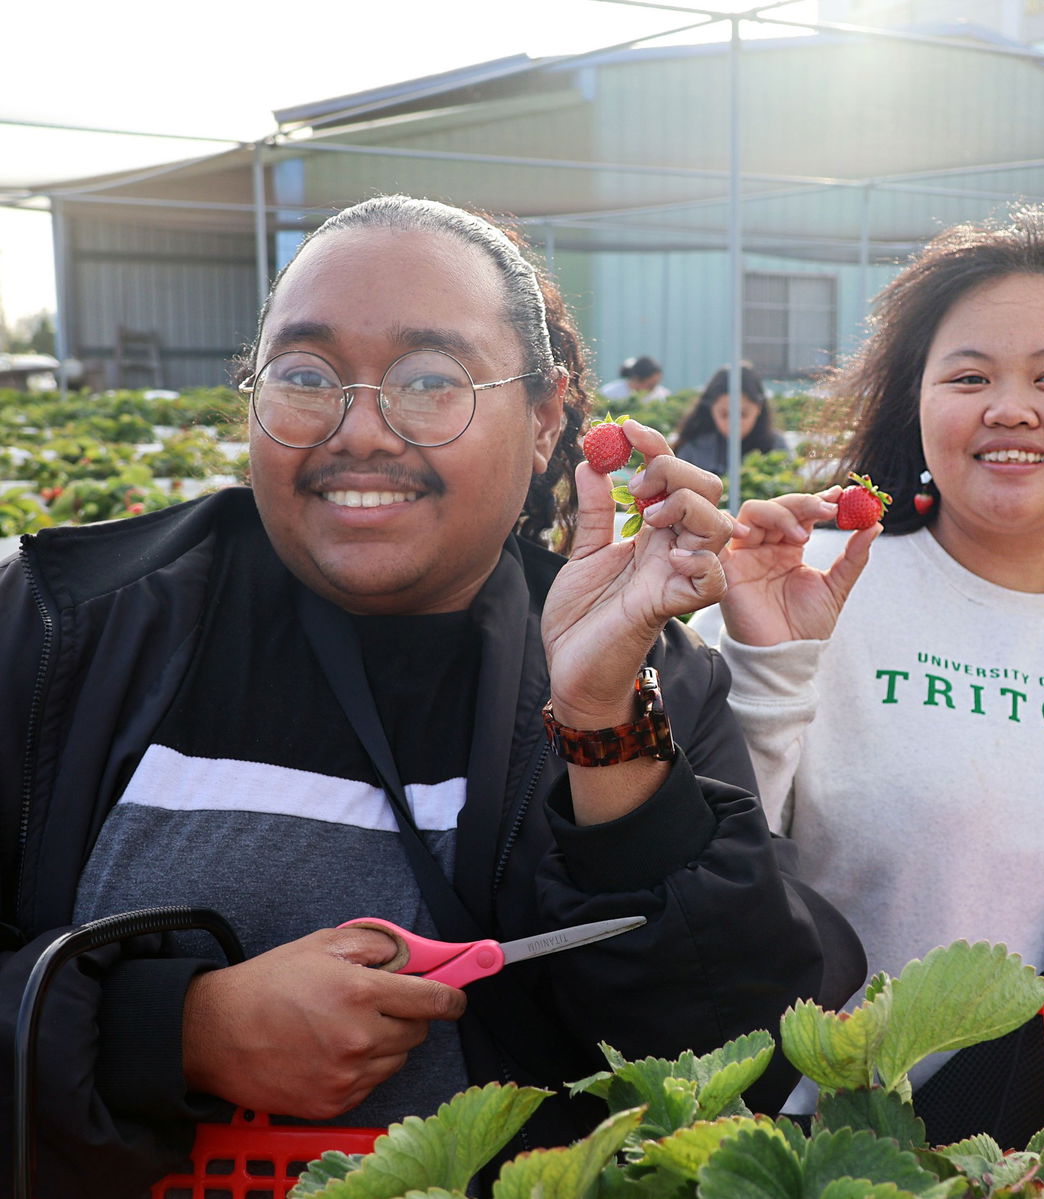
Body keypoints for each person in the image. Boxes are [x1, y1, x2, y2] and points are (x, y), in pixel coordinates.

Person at [0, 195, 862, 1196]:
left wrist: (599, 723)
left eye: (428, 380)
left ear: (546, 419)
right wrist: (175, 1029)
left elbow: (720, 1059)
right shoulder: (65, 625)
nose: (359, 431)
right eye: (305, 375)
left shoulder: (649, 674)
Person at [691, 205, 1044, 1109]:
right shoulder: (802, 597)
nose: (1010, 408)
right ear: (918, 405)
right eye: (968, 376)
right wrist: (767, 670)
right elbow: (690, 886)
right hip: (842, 1157)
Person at [671, 362, 784, 474]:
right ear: (711, 409)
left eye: (742, 414)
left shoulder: (777, 446)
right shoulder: (693, 449)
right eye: (724, 414)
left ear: (759, 408)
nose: (734, 423)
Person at [598, 354, 670, 403]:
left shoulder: (663, 396)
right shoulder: (609, 393)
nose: (654, 388)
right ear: (636, 379)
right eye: (651, 385)